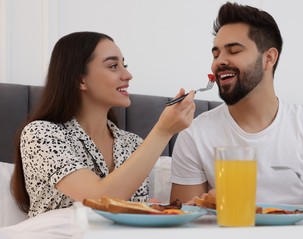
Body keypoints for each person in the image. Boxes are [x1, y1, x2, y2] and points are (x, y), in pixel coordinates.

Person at [170, 2, 303, 206]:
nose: (219, 61)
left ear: (269, 58)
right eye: (216, 54)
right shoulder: (194, 134)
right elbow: (185, 220)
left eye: (234, 51)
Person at [11, 31, 195, 218]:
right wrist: (163, 131)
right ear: (80, 79)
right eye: (114, 66)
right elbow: (99, 198)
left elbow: (127, 215)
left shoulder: (132, 144)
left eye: (125, 65)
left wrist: (146, 209)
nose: (128, 75)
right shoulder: (41, 134)